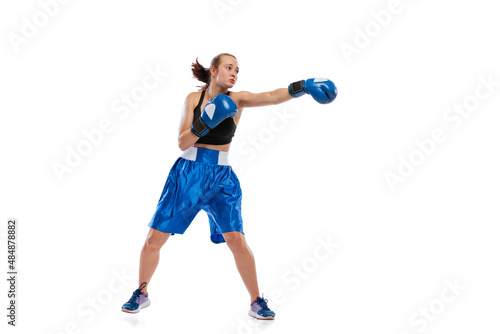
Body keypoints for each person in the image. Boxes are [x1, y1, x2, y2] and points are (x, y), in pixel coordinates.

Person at [121, 53, 337, 319]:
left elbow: (271, 96)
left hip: (222, 177)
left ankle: (256, 301)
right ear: (213, 71)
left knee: (236, 239)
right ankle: (141, 293)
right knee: (155, 239)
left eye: (237, 70)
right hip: (188, 174)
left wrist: (302, 86)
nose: (234, 73)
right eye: (229, 67)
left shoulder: (237, 99)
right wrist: (205, 122)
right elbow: (182, 142)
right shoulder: (193, 100)